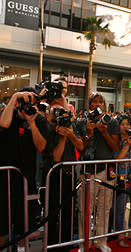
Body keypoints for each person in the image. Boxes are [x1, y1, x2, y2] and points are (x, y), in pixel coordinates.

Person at [0, 87, 47, 252]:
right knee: (2, 223)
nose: (29, 106)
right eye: (26, 102)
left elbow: (41, 147)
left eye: (33, 103)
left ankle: (21, 250)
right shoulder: (9, 114)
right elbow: (3, 124)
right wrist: (14, 97)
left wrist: (32, 122)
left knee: (23, 224)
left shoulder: (38, 120)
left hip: (27, 179)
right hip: (5, 180)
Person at [76, 92, 120, 252]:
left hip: (106, 170)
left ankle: (101, 241)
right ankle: (84, 243)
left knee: (104, 208)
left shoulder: (112, 122)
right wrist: (90, 133)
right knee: (84, 209)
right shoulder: (82, 121)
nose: (98, 105)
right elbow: (80, 147)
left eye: (101, 102)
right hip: (87, 171)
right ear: (90, 104)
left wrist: (103, 132)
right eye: (95, 102)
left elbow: (115, 148)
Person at [44, 105, 83, 251]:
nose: (59, 121)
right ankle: (52, 245)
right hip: (53, 175)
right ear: (49, 117)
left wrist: (70, 134)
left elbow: (80, 147)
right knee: (53, 213)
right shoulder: (48, 130)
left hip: (69, 174)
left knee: (69, 211)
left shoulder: (71, 127)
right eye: (55, 118)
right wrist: (62, 138)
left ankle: (66, 244)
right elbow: (56, 157)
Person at [111, 115, 131, 248]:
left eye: (128, 124)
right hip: (121, 178)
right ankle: (120, 236)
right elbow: (117, 158)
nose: (126, 127)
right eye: (123, 124)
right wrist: (127, 144)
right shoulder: (115, 140)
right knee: (120, 208)